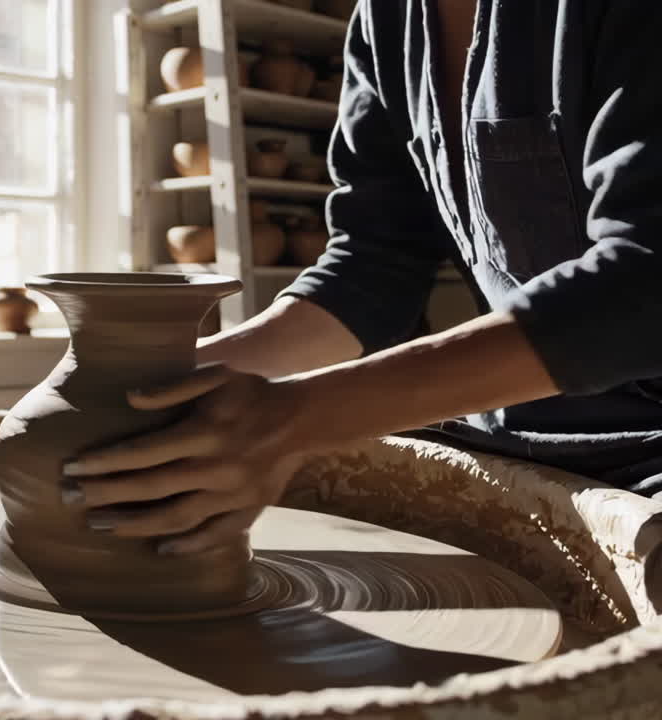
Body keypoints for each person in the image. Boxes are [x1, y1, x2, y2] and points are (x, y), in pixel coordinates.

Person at [60, 0, 662, 555]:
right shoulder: (387, 20)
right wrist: (168, 380)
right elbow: (372, 269)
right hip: (527, 429)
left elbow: (645, 281)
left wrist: (294, 417)